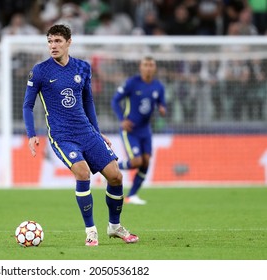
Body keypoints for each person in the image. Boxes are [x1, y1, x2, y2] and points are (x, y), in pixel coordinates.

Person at [22, 24, 138, 246]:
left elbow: (88, 102)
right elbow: (28, 105)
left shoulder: (83, 68)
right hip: (61, 135)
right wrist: (31, 134)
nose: (53, 46)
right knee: (83, 173)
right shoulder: (40, 71)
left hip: (86, 131)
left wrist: (97, 131)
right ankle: (91, 230)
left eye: (57, 41)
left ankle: (114, 226)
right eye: (50, 41)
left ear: (68, 42)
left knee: (116, 176)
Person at [111, 56, 166, 205]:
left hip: (145, 130)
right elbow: (115, 100)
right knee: (136, 161)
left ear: (154, 68)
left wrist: (162, 108)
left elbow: (162, 102)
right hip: (130, 130)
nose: (148, 67)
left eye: (151, 65)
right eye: (145, 65)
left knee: (146, 162)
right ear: (141, 67)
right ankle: (110, 167)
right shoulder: (132, 83)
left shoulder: (158, 86)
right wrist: (122, 119)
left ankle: (132, 195)